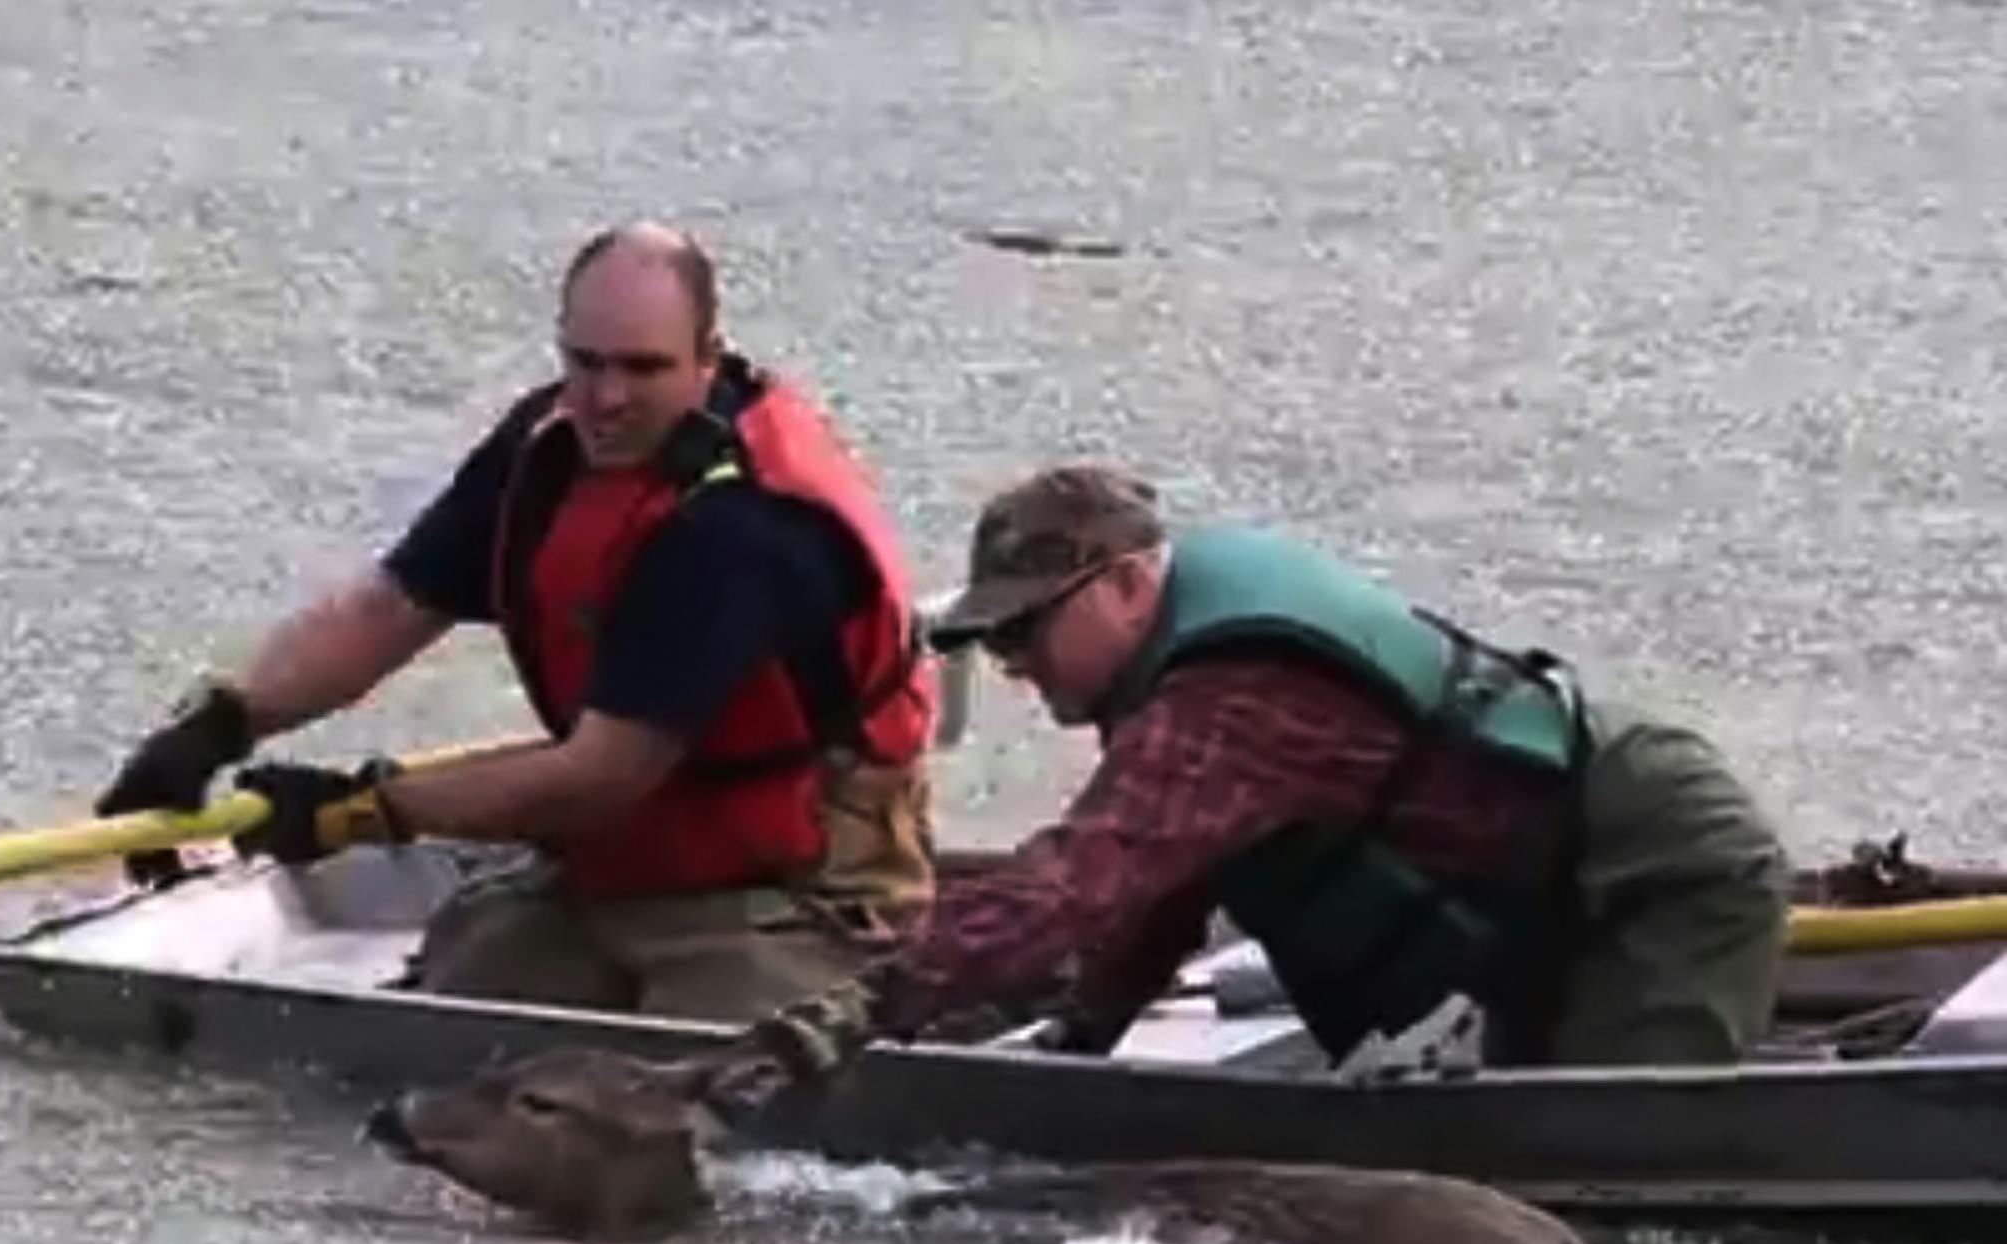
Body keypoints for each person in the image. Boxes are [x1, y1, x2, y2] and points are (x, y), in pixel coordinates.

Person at [711, 463, 1790, 1104]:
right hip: (1544, 874)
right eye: (995, 641)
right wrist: (1084, 1032)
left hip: (1654, 865)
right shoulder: (1180, 687)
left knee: (1597, 1165)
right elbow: (1161, 885)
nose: (1014, 663)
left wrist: (858, 1007)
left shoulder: (1227, 701)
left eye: (1029, 628)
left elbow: (1078, 881)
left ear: (1129, 583)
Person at [95, 222, 936, 1023]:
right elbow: (391, 607)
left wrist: (358, 814)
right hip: (619, 863)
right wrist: (222, 724)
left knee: (676, 1102)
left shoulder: (742, 526)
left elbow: (600, 776)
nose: (606, 399)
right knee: (449, 1018)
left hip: (788, 891)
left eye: (642, 370)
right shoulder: (548, 444)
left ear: (708, 359)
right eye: (585, 362)